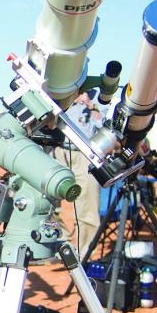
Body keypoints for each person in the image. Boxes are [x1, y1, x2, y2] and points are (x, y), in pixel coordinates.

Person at [52, 91, 103, 260]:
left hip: (85, 155)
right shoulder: (59, 89)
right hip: (58, 151)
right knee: (46, 202)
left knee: (87, 209)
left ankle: (85, 256)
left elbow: (107, 126)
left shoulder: (100, 95)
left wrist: (92, 106)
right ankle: (60, 242)